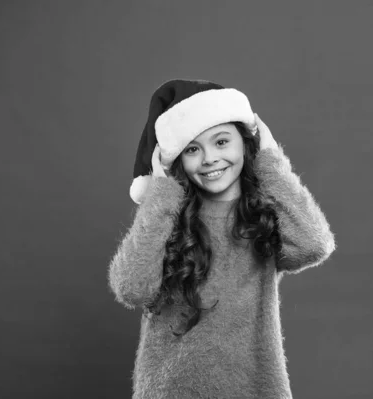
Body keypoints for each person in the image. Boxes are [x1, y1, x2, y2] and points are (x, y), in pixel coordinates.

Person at [108, 79, 336, 399]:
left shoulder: (264, 216)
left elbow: (313, 246)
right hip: (172, 390)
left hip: (254, 388)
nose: (209, 159)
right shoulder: (166, 218)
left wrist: (271, 162)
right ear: (177, 161)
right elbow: (131, 287)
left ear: (245, 143)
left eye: (221, 142)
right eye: (192, 149)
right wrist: (159, 197)